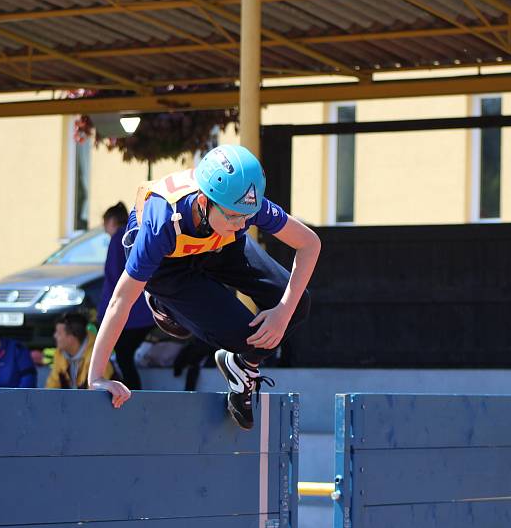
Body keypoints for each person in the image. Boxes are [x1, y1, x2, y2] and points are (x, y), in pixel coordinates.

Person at [88, 144, 320, 430]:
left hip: (217, 244)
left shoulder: (242, 203)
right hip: (168, 264)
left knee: (298, 302)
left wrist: (283, 312)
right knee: (240, 334)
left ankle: (242, 367)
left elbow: (310, 243)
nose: (241, 224)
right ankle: (163, 304)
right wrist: (96, 376)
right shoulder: (160, 225)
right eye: (234, 216)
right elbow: (119, 300)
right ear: (202, 200)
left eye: (247, 217)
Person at [98, 201, 159, 390]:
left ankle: (131, 396)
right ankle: (131, 392)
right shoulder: (134, 233)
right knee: (126, 354)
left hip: (132, 315)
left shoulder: (118, 238)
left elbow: (114, 279)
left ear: (111, 221)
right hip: (146, 310)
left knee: (123, 355)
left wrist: (103, 313)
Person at [46, 313, 114, 389]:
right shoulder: (59, 354)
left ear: (72, 337)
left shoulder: (97, 356)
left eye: (59, 333)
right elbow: (52, 386)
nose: (55, 336)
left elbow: (98, 395)